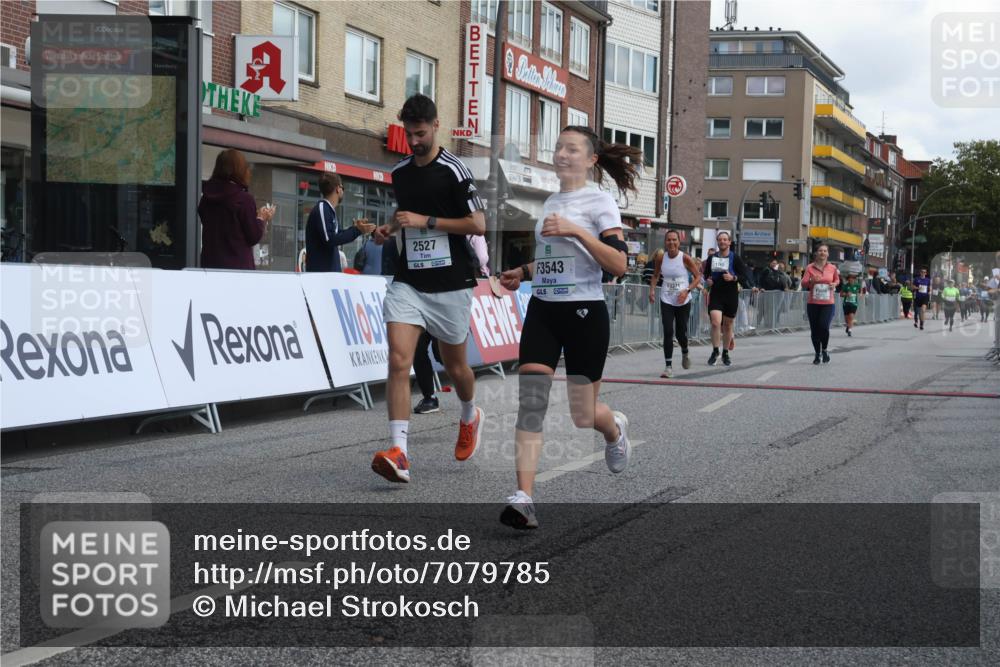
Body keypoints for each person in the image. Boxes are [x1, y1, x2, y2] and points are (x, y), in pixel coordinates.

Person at [496, 125, 638, 529]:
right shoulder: (551, 201)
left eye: (572, 149)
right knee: (532, 402)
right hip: (544, 308)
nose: (562, 154)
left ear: (591, 159)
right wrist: (523, 272)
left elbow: (619, 265)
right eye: (558, 147)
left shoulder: (600, 202)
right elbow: (556, 262)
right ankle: (524, 497)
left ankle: (614, 429)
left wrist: (576, 230)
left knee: (582, 414)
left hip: (584, 314)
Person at [368, 94, 486, 484]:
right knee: (399, 360)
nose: (414, 141)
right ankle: (399, 451)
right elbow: (406, 216)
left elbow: (478, 224)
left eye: (420, 133)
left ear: (436, 126)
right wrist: (392, 227)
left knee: (455, 366)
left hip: (451, 282)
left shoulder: (455, 170)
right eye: (408, 133)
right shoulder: (400, 172)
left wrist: (427, 220)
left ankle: (470, 414)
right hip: (410, 281)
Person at [412, 233, 489, 416]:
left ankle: (468, 399)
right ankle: (429, 397)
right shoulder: (414, 222)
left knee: (446, 356)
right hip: (419, 290)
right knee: (418, 347)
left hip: (450, 290)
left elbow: (481, 258)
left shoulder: (466, 226)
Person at [198, 149, 274, 270]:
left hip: (210, 266)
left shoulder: (206, 198)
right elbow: (253, 236)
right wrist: (261, 218)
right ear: (240, 170)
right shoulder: (244, 199)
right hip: (237, 270)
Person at [649, 230, 702, 377]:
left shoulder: (685, 258)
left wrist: (687, 290)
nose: (671, 243)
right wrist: (652, 290)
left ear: (679, 242)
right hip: (667, 298)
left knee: (680, 333)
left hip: (683, 300)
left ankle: (685, 351)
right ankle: (668, 367)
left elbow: (698, 277)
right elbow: (655, 275)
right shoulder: (661, 258)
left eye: (674, 240)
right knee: (667, 331)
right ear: (665, 242)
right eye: (668, 240)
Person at [702, 231, 755, 366]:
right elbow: (706, 274)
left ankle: (725, 352)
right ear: (717, 242)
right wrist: (708, 280)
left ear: (729, 242)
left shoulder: (735, 258)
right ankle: (715, 351)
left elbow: (744, 276)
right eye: (720, 240)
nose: (722, 242)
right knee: (715, 322)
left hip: (731, 294)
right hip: (716, 294)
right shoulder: (712, 258)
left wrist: (733, 278)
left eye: (725, 240)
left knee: (728, 324)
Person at [305, 173, 373, 273]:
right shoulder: (322, 208)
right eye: (343, 188)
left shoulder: (328, 210)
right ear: (338, 188)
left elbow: (337, 235)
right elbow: (330, 239)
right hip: (321, 275)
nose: (343, 191)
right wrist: (356, 230)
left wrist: (355, 228)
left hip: (329, 274)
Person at [800, 244, 841, 364]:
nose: (822, 253)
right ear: (816, 253)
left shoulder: (832, 268)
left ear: (828, 254)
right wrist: (812, 280)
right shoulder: (810, 267)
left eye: (825, 251)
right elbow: (803, 283)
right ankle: (817, 353)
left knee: (823, 326)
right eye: (820, 251)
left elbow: (837, 280)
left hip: (828, 303)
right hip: (813, 303)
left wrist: (834, 284)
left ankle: (824, 349)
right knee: (814, 330)